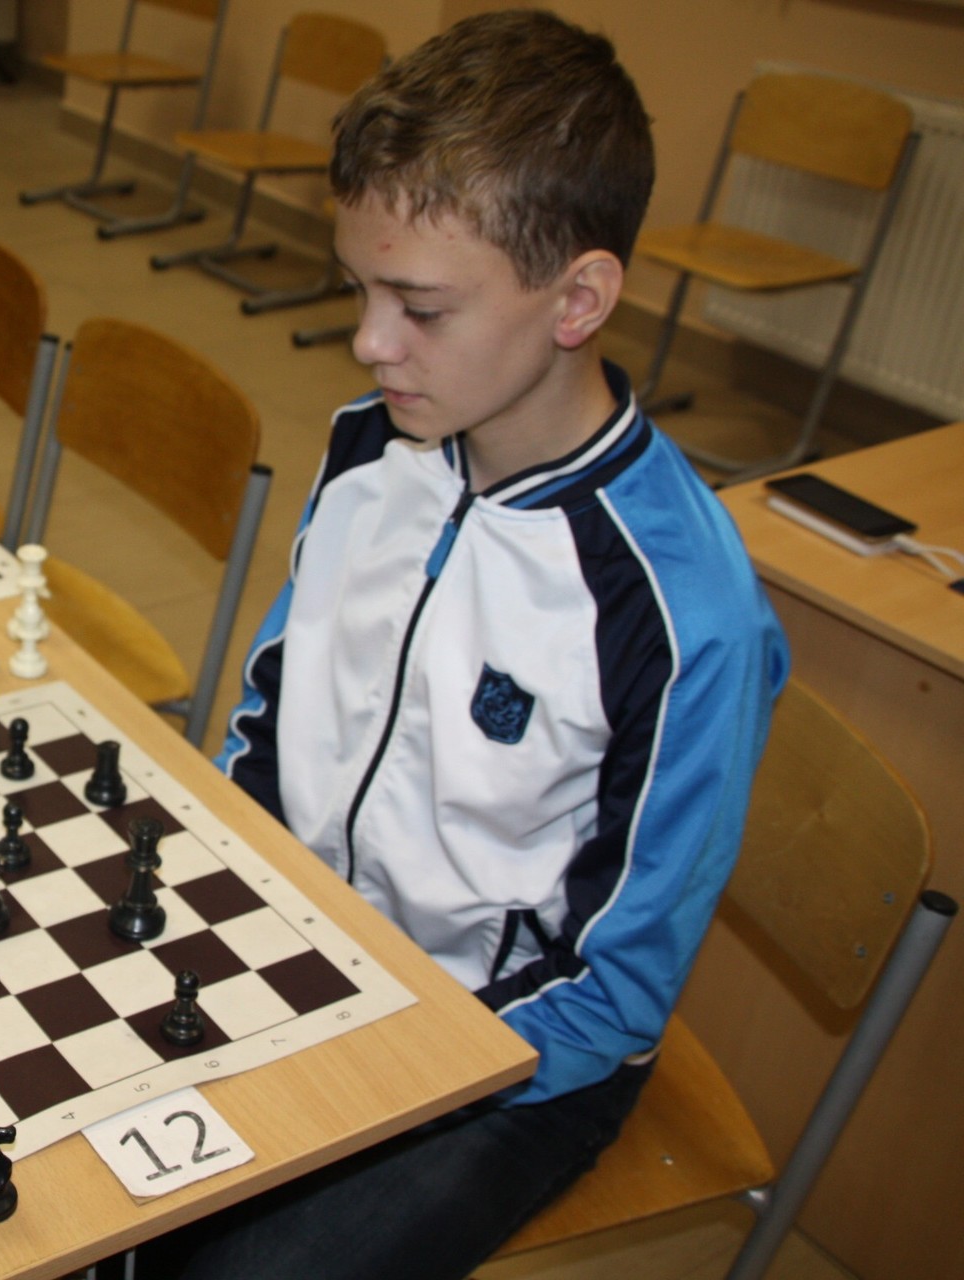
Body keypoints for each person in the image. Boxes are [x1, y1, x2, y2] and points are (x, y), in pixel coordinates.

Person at [164, 11, 790, 1278]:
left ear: (579, 299)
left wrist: (377, 1058)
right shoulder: (369, 446)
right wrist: (234, 914)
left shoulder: (677, 611)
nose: (369, 341)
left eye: (421, 307)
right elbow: (271, 717)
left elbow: (616, 988)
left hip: (513, 1053)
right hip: (313, 941)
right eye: (360, 288)